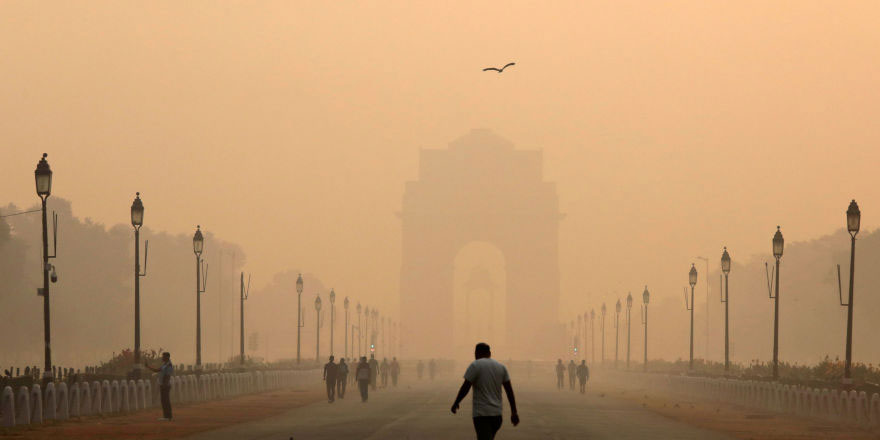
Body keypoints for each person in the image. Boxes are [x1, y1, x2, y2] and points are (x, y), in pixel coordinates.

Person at [451, 343, 519, 440]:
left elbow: (465, 387)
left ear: (477, 353)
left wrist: (456, 402)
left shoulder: (475, 365)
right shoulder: (501, 367)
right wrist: (514, 412)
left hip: (482, 415)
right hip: (497, 416)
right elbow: (509, 392)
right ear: (489, 353)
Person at [145, 352, 174, 421]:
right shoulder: (165, 365)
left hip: (165, 385)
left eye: (163, 356)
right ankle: (166, 416)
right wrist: (148, 367)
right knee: (164, 400)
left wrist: (164, 384)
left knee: (166, 401)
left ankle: (168, 416)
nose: (162, 358)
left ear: (167, 357)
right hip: (163, 385)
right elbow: (157, 370)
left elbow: (167, 376)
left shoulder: (169, 365)